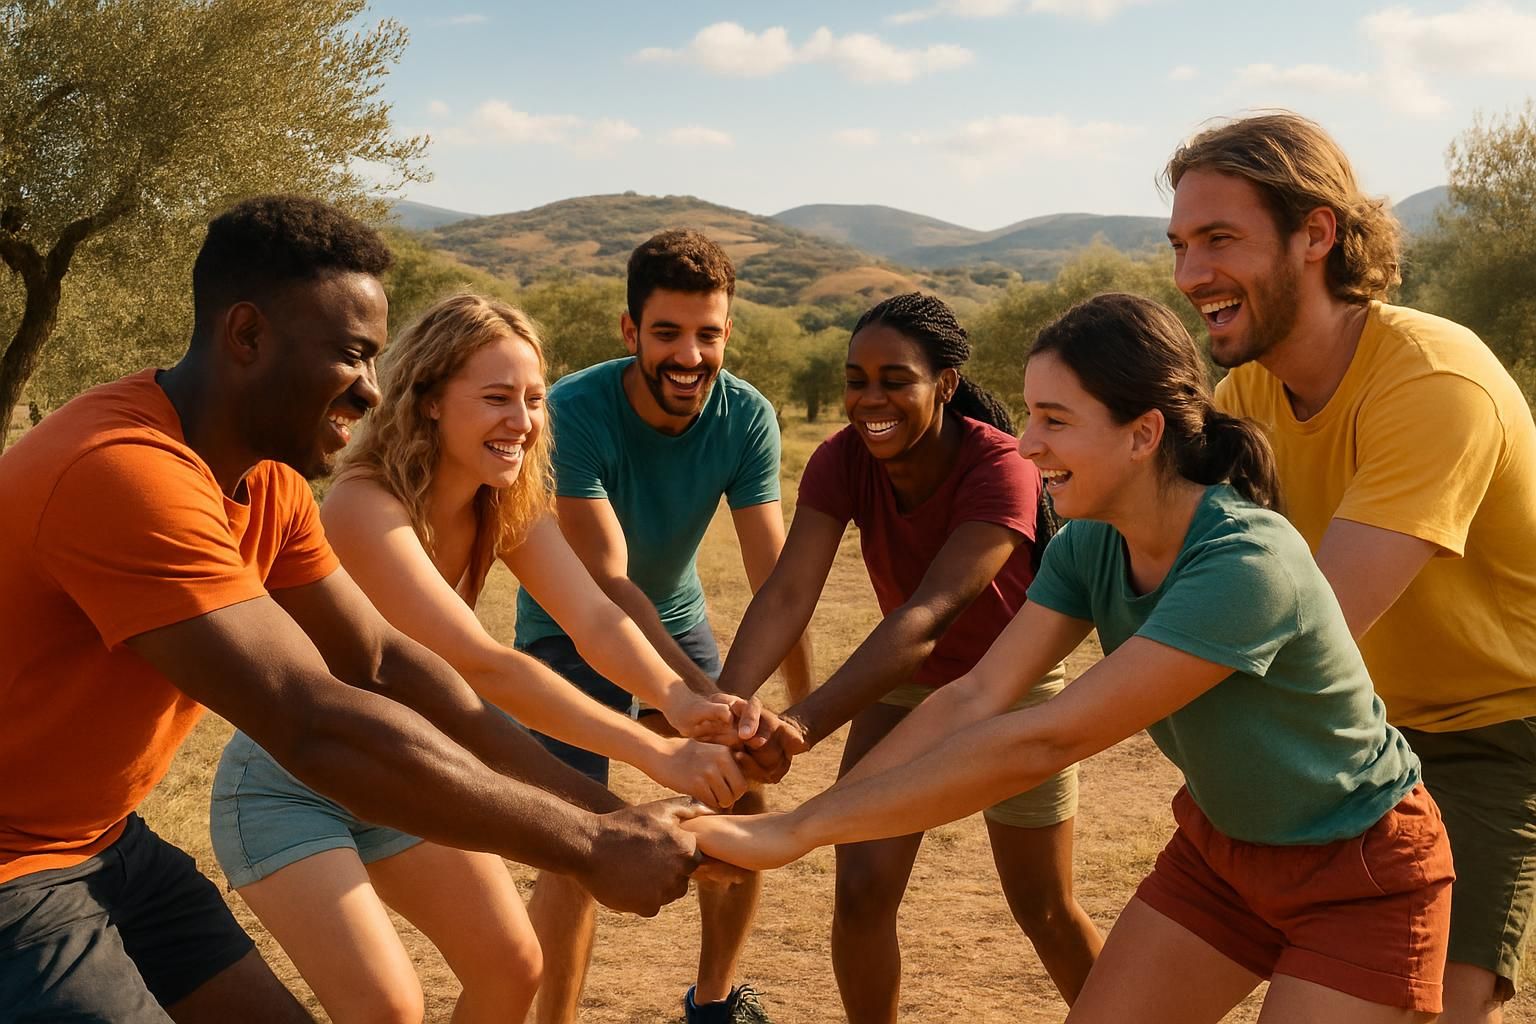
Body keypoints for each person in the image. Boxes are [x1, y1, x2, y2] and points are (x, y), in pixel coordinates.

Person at [0, 197, 708, 1022]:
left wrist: (613, 820)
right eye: (351, 356)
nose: (373, 391)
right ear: (247, 335)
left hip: (104, 841)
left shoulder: (267, 483)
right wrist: (590, 846)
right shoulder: (123, 472)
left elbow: (384, 663)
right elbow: (313, 720)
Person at [685, 293, 1455, 1023]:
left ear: (1143, 433)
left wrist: (794, 832)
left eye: (1056, 419)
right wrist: (800, 821)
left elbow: (1045, 737)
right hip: (1220, 857)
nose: (1027, 443)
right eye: (1030, 416)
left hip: (1355, 873)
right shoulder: (1091, 542)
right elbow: (971, 696)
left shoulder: (1244, 563)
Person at [208, 293, 758, 1023]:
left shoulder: (505, 500)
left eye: (533, 399)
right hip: (289, 786)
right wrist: (656, 755)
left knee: (512, 967)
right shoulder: (364, 506)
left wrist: (683, 702)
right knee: (388, 1006)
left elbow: (593, 616)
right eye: (497, 398)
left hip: (403, 772)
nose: (524, 422)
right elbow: (479, 664)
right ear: (430, 400)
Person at [1165, 111, 1536, 1024]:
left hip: (1488, 731)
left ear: (1317, 233)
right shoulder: (1245, 395)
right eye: (1179, 245)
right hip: (1348, 732)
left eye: (1220, 239)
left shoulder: (1430, 380)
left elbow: (1306, 626)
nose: (1189, 275)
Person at [713, 292, 1101, 1022]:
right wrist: (725, 707)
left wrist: (799, 725)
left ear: (945, 384)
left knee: (1043, 907)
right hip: (904, 690)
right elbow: (790, 589)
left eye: (895, 379)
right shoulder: (841, 459)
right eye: (857, 379)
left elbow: (928, 614)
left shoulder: (1001, 466)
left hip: (1009, 687)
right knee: (860, 892)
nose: (870, 398)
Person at [513, 228, 813, 1024]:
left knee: (740, 808)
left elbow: (777, 579)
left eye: (708, 334)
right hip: (567, 629)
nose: (690, 354)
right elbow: (606, 584)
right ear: (629, 331)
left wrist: (801, 707)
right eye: (668, 333)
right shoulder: (570, 413)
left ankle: (713, 1003)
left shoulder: (746, 415)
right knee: (582, 838)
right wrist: (703, 694)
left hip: (678, 624)